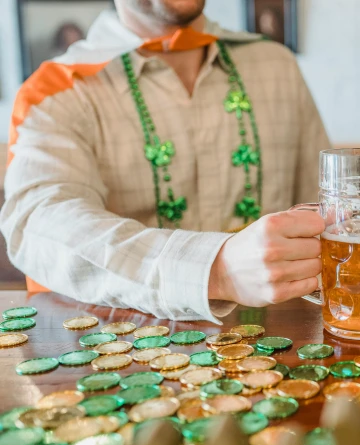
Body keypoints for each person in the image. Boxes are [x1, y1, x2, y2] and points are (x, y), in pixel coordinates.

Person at [1, 0, 330, 323]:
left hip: (280, 349)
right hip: (129, 359)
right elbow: (40, 224)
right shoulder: (59, 89)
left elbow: (326, 209)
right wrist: (215, 270)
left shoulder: (277, 66)